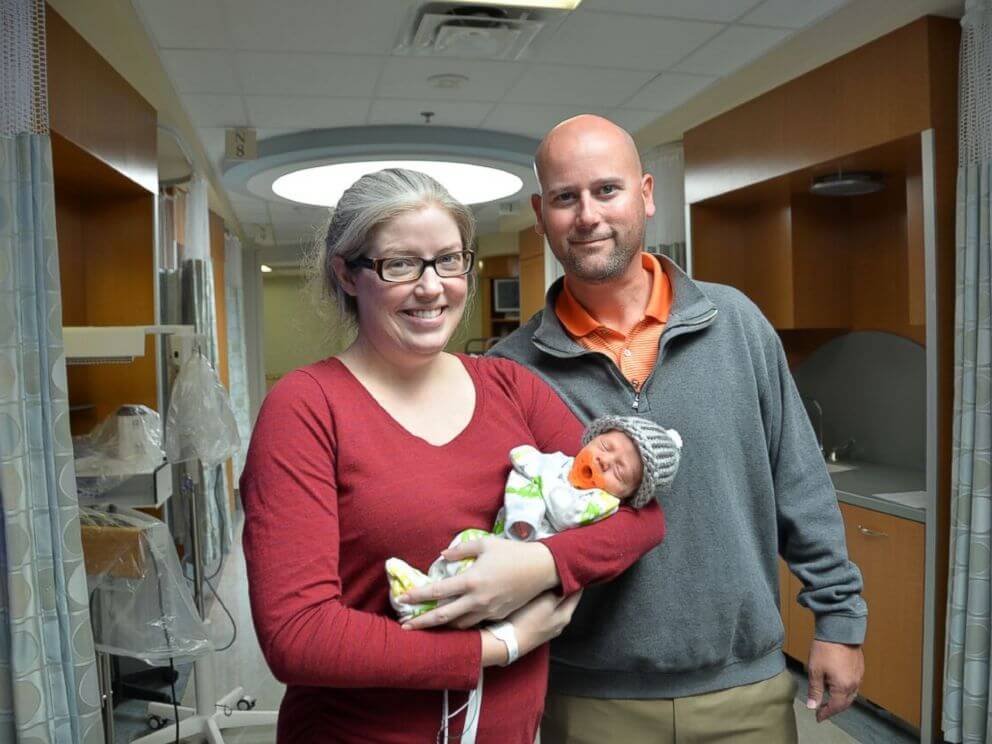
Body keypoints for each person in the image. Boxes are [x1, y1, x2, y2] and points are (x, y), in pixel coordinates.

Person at [239, 167, 666, 744]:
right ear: (346, 273)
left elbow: (640, 518)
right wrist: (498, 645)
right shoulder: (306, 408)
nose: (431, 286)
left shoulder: (511, 389)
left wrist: (532, 569)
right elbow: (299, 635)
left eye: (448, 260)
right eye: (399, 265)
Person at [487, 114, 868, 742]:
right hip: (586, 699)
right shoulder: (509, 370)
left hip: (743, 692)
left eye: (606, 190)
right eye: (565, 197)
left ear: (645, 194)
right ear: (540, 212)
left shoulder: (737, 324)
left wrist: (839, 619)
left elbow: (798, 481)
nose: (587, 215)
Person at [387, 414, 683, 623]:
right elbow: (524, 465)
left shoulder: (601, 503)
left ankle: (428, 607)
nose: (604, 461)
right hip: (502, 536)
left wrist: (541, 478)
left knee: (490, 595)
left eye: (619, 471)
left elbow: (565, 512)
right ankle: (428, 587)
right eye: (605, 447)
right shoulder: (558, 463)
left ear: (626, 495)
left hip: (532, 574)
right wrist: (533, 472)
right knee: (466, 543)